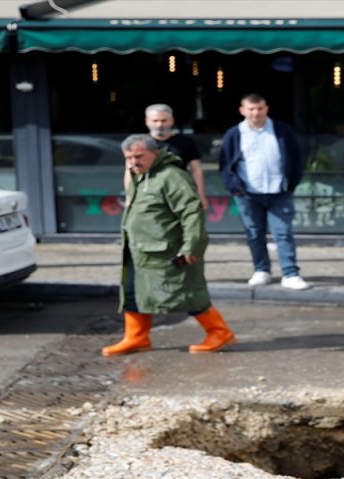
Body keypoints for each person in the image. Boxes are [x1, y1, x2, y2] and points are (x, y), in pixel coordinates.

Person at [101, 134, 235, 357]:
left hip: (168, 250)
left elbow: (191, 212)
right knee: (134, 292)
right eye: (129, 157)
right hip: (140, 249)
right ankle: (136, 337)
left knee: (186, 292)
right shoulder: (141, 175)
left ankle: (220, 332)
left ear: (155, 153)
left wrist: (192, 246)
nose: (134, 162)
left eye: (139, 156)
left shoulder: (172, 176)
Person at [218, 93, 311, 290]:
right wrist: (235, 189)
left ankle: (290, 273)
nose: (256, 113)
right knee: (254, 233)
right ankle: (262, 270)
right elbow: (225, 165)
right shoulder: (235, 134)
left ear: (266, 108)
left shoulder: (281, 130)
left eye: (259, 108)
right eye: (251, 109)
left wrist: (291, 183)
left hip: (279, 191)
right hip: (248, 194)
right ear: (242, 111)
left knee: (283, 233)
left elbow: (296, 158)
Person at [141, 104, 208, 211]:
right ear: (147, 121)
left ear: (172, 120)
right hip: (148, 194)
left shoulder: (186, 142)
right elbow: (130, 171)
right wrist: (130, 196)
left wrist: (200, 194)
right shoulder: (139, 143)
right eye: (155, 121)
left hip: (180, 193)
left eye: (164, 120)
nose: (159, 124)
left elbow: (196, 169)